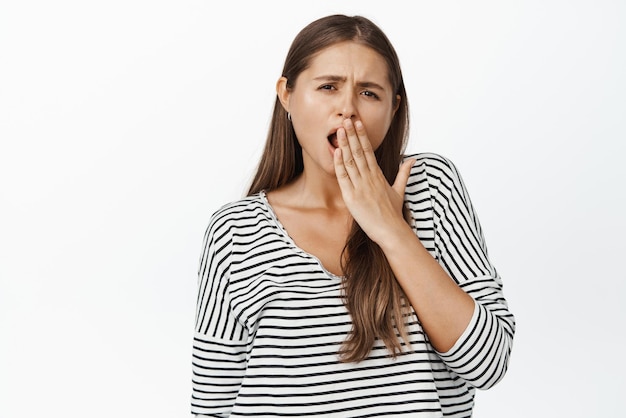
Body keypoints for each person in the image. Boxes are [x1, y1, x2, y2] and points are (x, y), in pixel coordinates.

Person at [191, 14, 515, 417]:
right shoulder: (236, 230)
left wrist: (391, 229)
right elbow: (211, 405)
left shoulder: (429, 186)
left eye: (369, 93)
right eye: (328, 87)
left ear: (393, 107)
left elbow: (489, 364)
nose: (347, 109)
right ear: (287, 95)